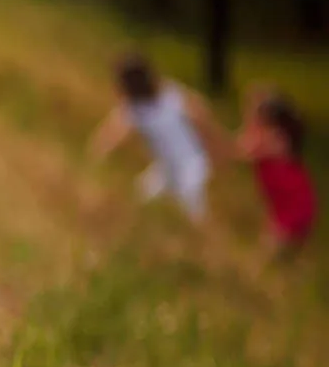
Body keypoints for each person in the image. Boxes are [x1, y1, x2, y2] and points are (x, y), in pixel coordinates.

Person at [89, 54, 225, 224]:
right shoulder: (153, 99)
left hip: (190, 165)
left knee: (193, 214)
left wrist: (215, 147)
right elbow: (112, 132)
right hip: (167, 167)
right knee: (143, 197)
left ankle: (203, 243)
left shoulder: (161, 97)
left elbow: (199, 112)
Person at [237, 86, 316, 259]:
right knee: (273, 243)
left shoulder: (274, 140)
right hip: (283, 203)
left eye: (257, 121)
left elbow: (243, 149)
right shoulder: (268, 136)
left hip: (294, 203)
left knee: (269, 250)